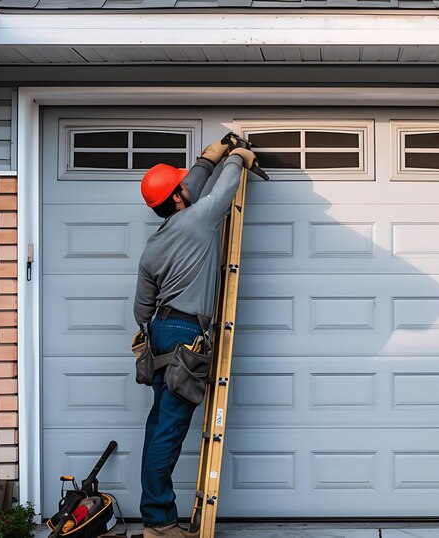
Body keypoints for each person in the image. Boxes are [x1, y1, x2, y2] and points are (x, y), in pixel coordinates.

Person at [133, 137, 256, 538]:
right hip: (187, 334)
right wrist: (238, 158)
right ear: (178, 196)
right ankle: (159, 524)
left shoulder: (153, 246)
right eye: (182, 186)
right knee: (169, 431)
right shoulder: (200, 219)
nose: (188, 188)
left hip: (160, 332)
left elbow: (141, 311)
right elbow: (224, 190)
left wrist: (208, 158)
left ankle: (155, 518)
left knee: (158, 425)